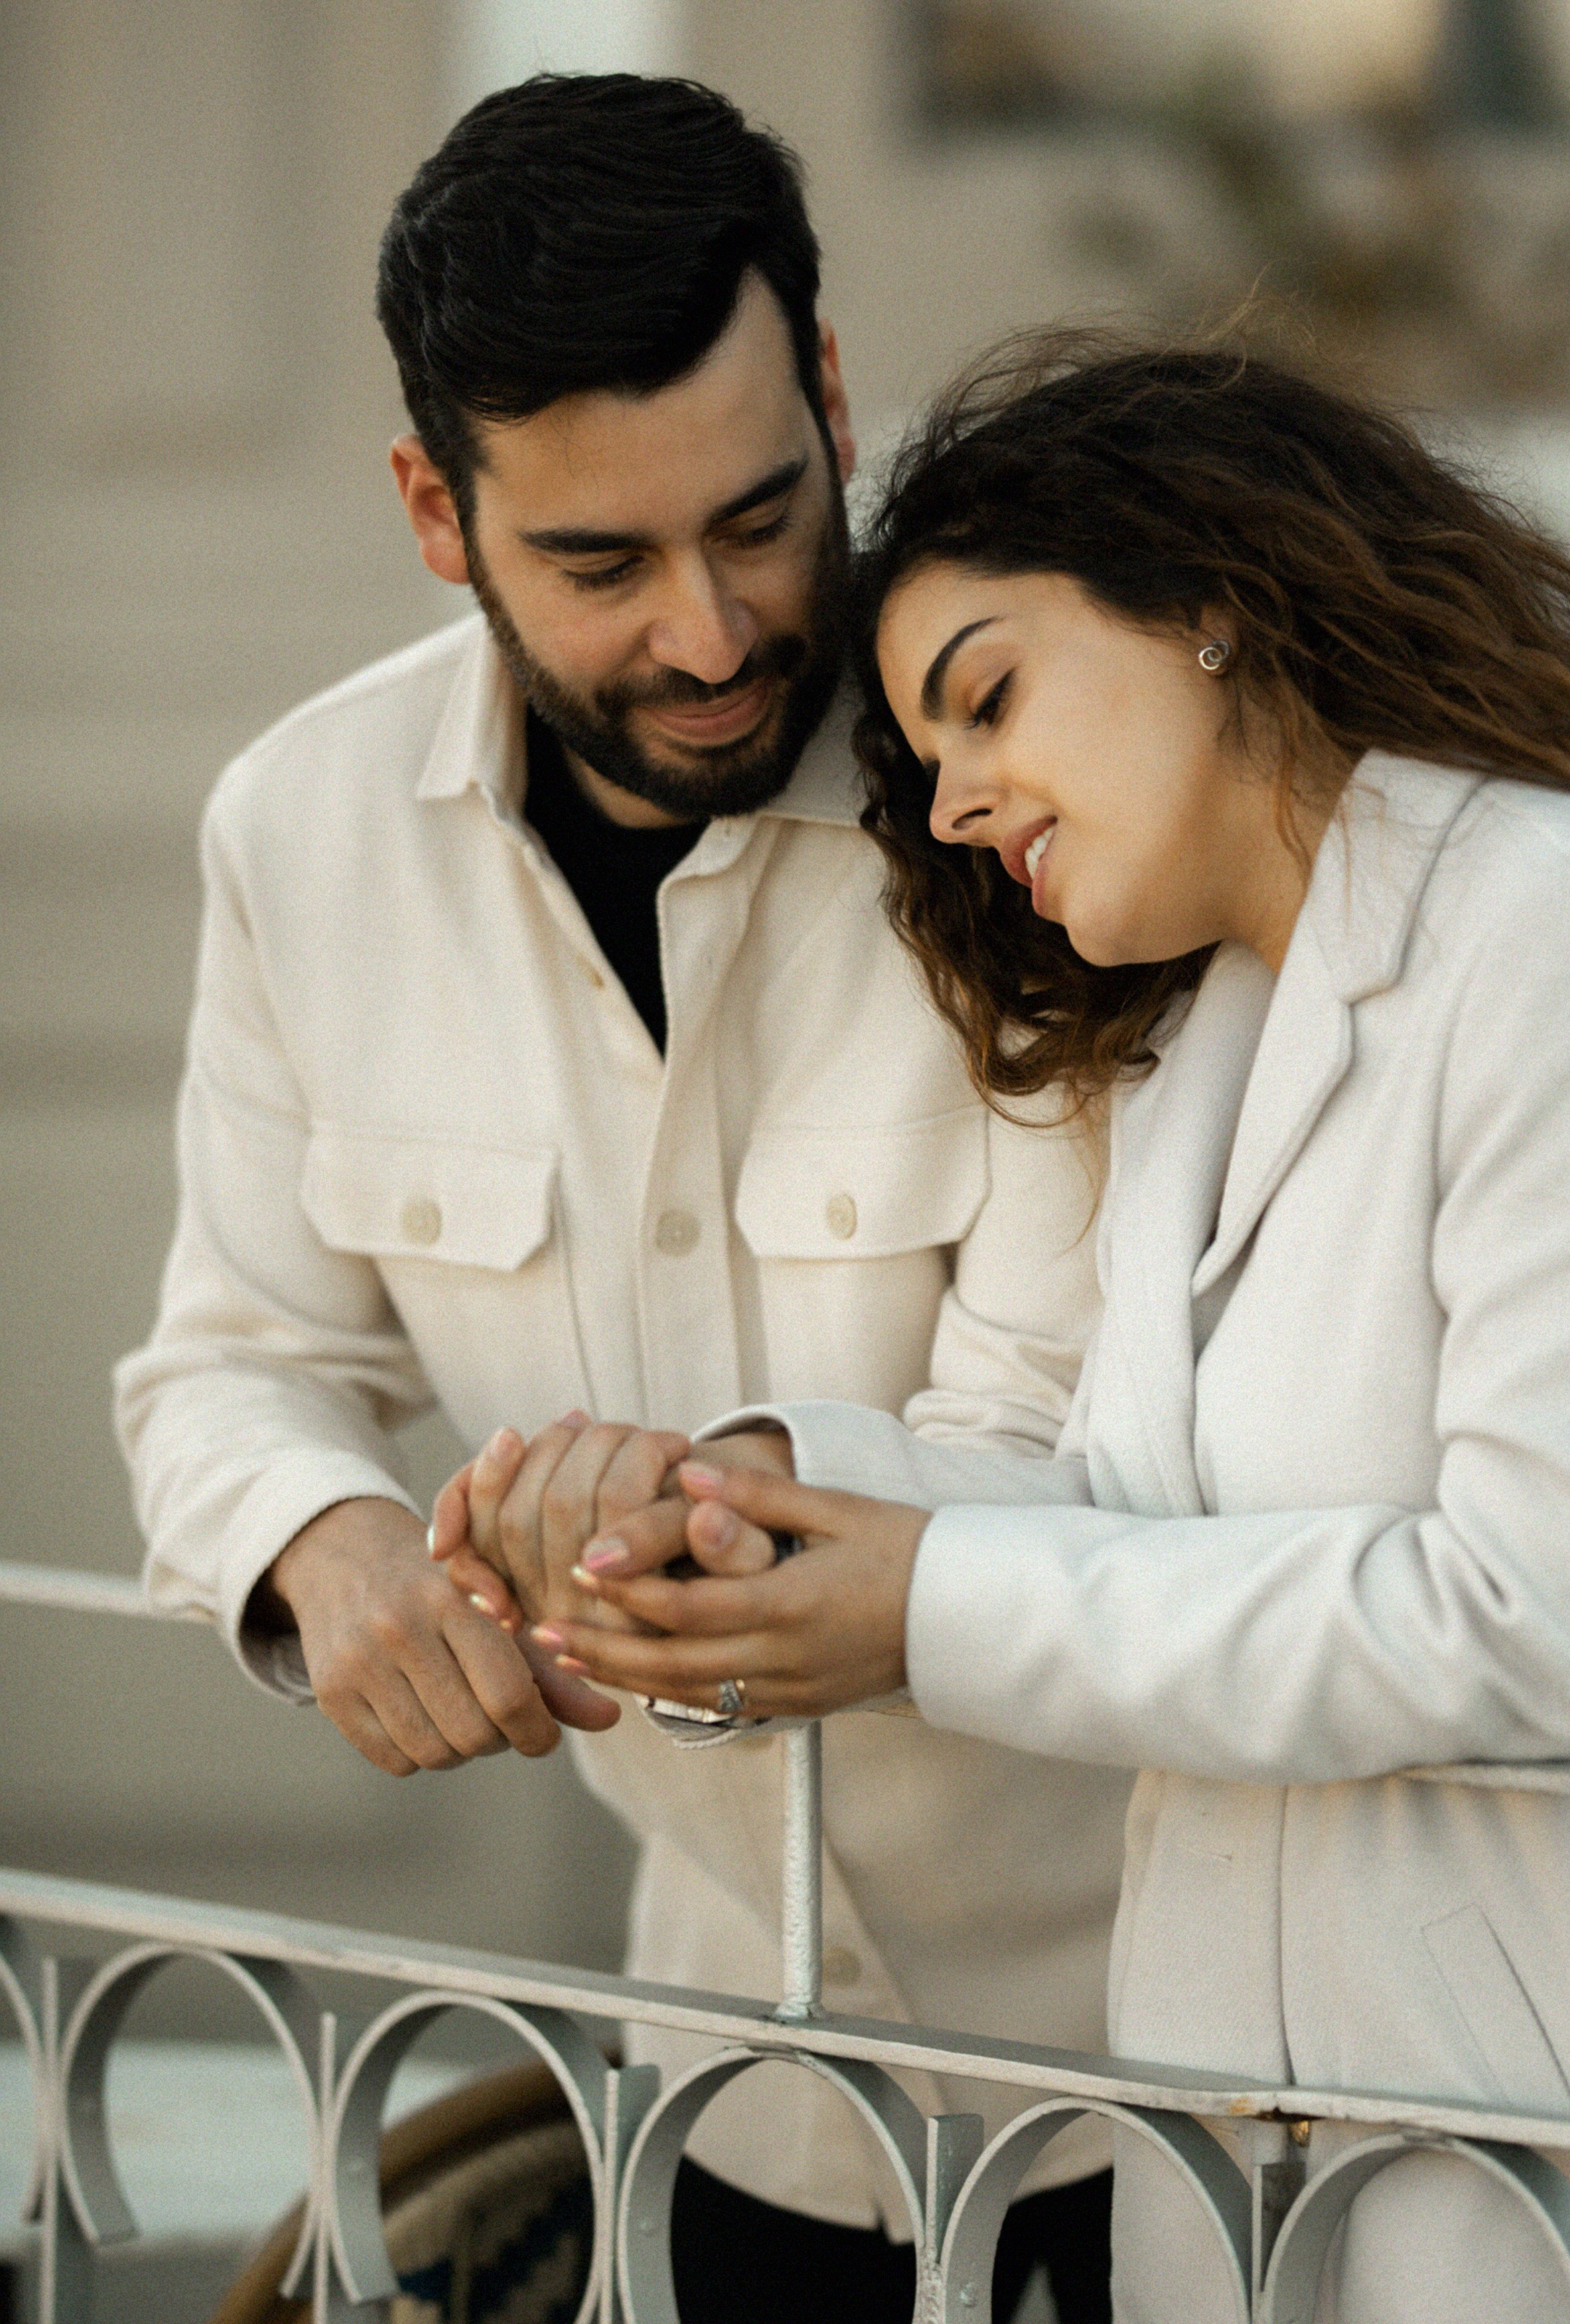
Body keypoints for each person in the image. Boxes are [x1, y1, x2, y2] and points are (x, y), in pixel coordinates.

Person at [495, 338, 1570, 2323]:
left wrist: (927, 1606)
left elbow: (1559, 1622)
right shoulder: (1212, 1041)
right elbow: (1118, 1507)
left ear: (1211, 605)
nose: (954, 804)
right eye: (929, 761)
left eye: (988, 699)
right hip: (1256, 2195)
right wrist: (750, 1506)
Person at [112, 79, 1131, 2324]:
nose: (708, 631)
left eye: (764, 518)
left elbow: (1090, 1425)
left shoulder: (1044, 789)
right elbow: (232, 1364)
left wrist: (702, 1505)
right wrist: (326, 1543)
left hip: (1173, 2104)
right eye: (598, 562)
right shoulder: (300, 832)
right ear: (429, 509)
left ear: (835, 395)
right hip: (732, 2091)